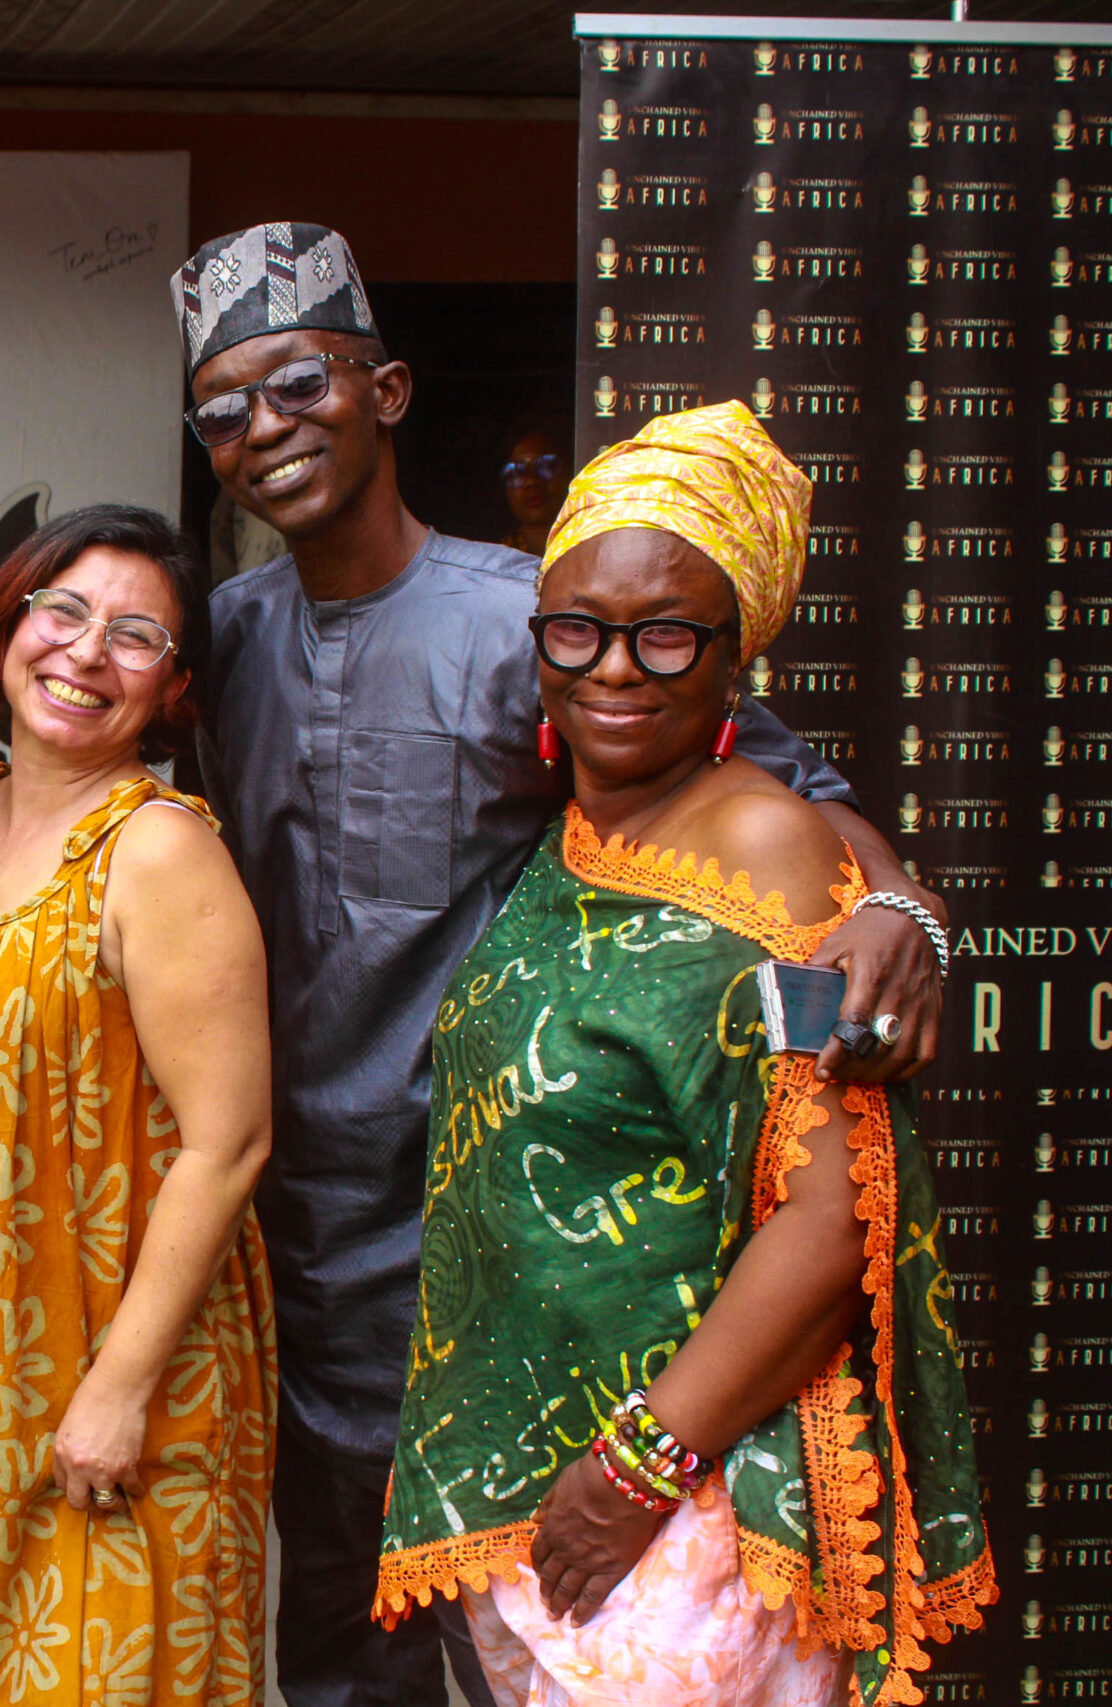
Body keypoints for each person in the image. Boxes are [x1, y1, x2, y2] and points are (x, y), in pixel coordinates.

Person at [171, 223, 950, 1706]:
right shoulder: (228, 636)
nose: (263, 428)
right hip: (299, 1241)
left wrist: (906, 913)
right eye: (222, 410)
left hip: (503, 1233)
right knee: (336, 1634)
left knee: (552, 1637)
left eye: (299, 385)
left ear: (387, 391)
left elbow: (787, 791)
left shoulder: (532, 623)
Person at [375, 403, 992, 1706]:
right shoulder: (581, 828)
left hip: (681, 1514)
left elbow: (833, 1212)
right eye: (577, 629)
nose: (614, 668)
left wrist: (638, 1468)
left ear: (734, 656)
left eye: (666, 634)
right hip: (555, 1505)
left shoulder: (764, 842)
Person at [0, 504, 275, 1704]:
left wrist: (118, 1390)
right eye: (65, 611)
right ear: (8, 623)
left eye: (135, 636)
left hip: (112, 1361)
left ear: (172, 686)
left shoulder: (159, 853)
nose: (87, 652)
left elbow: (229, 1143)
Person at [498, 423, 570, 558]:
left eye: (546, 466)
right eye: (517, 471)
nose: (532, 481)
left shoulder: (589, 546)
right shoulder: (497, 559)